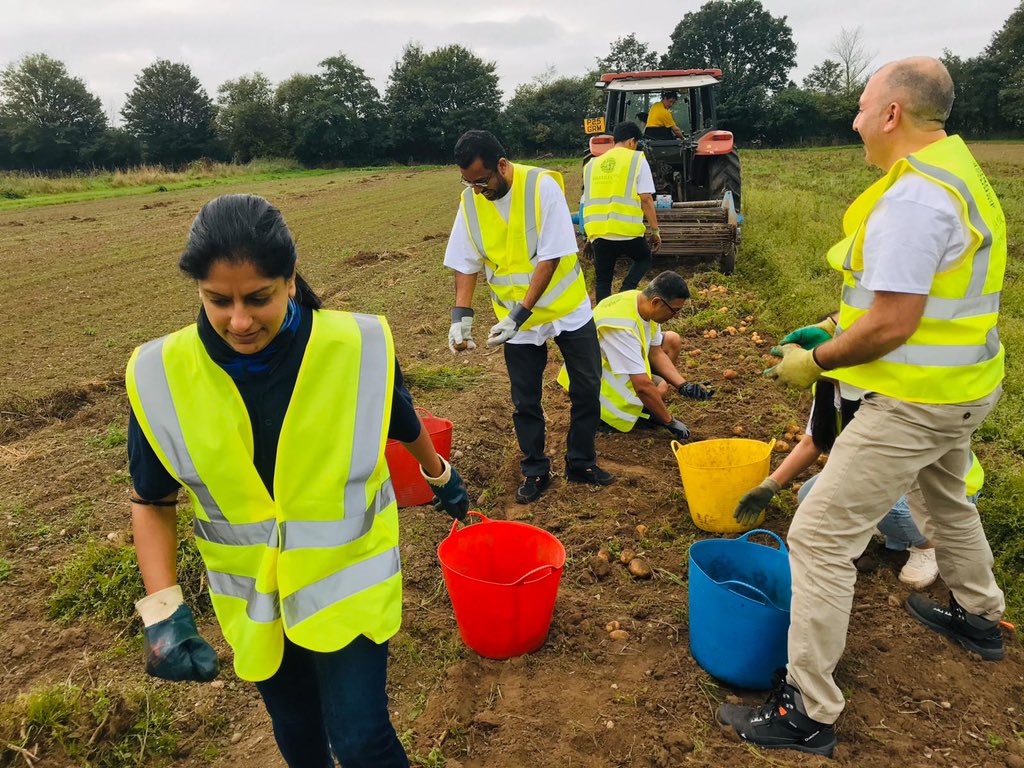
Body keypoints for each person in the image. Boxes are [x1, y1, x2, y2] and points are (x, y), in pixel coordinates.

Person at [719, 57, 1007, 758]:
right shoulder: (955, 172)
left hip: (913, 401)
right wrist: (833, 328)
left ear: (891, 115)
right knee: (946, 503)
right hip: (962, 387)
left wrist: (814, 362)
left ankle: (808, 709)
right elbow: (907, 302)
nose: (853, 121)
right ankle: (979, 615)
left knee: (819, 539)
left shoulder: (914, 200)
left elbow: (895, 323)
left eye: (860, 106)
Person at [126, 194, 472, 768]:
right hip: (255, 599)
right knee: (295, 727)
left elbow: (403, 421)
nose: (239, 321)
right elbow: (151, 498)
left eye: (257, 298)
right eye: (219, 301)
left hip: (348, 584)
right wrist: (162, 609)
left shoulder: (355, 347)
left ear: (290, 281)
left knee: (361, 739)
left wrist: (442, 477)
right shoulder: (159, 375)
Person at [444, 129, 613, 504]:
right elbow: (465, 261)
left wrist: (521, 312)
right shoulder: (470, 202)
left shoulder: (542, 187)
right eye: (468, 182)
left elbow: (551, 257)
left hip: (566, 308)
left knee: (586, 386)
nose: (477, 190)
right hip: (515, 321)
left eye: (482, 180)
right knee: (525, 400)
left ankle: (581, 462)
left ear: (502, 166)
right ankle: (535, 470)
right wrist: (461, 315)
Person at [733, 371, 986, 590]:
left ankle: (927, 547)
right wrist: (771, 485)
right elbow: (812, 443)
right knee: (810, 495)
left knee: (887, 509)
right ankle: (875, 524)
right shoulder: (828, 387)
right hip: (883, 475)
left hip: (937, 489)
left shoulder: (888, 395)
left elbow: (901, 471)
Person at [557, 271, 712, 439]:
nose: (675, 316)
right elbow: (642, 386)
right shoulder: (622, 327)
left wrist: (683, 385)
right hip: (595, 383)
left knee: (671, 341)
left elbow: (656, 352)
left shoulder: (641, 302)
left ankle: (648, 406)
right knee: (656, 388)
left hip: (611, 367)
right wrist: (669, 421)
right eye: (674, 311)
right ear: (657, 302)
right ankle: (607, 418)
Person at [583, 121, 662, 302]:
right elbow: (646, 198)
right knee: (644, 259)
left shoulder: (592, 165)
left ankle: (603, 319)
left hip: (599, 234)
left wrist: (589, 237)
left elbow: (588, 202)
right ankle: (626, 291)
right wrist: (655, 231)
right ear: (632, 142)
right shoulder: (637, 160)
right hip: (628, 232)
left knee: (603, 281)